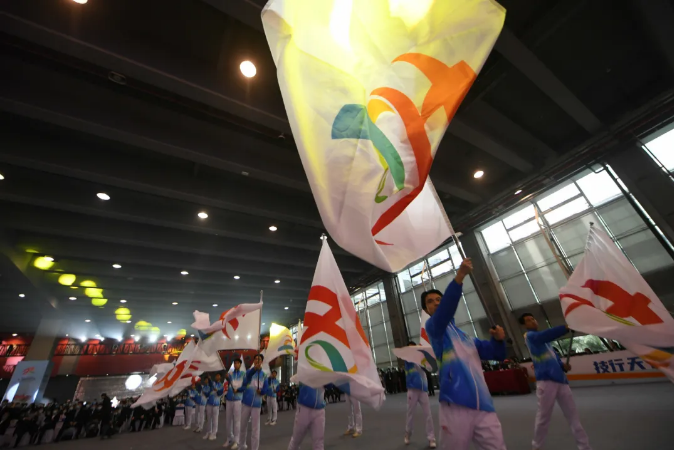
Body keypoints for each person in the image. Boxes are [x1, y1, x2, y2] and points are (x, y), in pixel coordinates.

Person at [423, 258, 508, 450]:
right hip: (455, 404)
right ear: (426, 310)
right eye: (430, 302)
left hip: (484, 406)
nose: (435, 303)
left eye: (438, 300)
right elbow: (445, 311)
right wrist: (460, 276)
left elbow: (496, 354)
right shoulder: (434, 329)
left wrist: (498, 340)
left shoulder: (467, 338)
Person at [519, 313, 592, 450]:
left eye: (533, 318)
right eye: (528, 320)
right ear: (524, 326)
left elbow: (553, 356)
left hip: (561, 381)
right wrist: (565, 328)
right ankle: (537, 447)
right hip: (546, 382)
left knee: (573, 416)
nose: (532, 321)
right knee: (543, 418)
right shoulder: (530, 337)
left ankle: (585, 446)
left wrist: (562, 365)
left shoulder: (546, 343)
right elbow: (546, 335)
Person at [404, 342, 436, 448]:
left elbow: (429, 367)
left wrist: (423, 353)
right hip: (412, 389)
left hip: (423, 389)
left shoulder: (422, 359)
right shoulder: (407, 358)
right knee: (410, 414)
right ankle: (408, 433)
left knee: (428, 414)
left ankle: (431, 438)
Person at [240, 354, 268, 450]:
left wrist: (262, 392)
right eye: (255, 359)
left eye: (259, 359)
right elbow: (245, 381)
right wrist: (254, 370)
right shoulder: (249, 372)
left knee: (255, 429)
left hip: (256, 404)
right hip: (246, 402)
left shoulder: (264, 375)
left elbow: (266, 388)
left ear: (262, 362)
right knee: (243, 426)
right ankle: (241, 446)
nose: (257, 361)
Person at [287, 384, 326, 450]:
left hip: (319, 409)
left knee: (319, 442)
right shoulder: (304, 377)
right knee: (296, 440)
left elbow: (329, 384)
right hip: (304, 408)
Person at [224, 358, 245, 449]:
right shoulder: (230, 374)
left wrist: (238, 390)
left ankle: (237, 440)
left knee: (237, 421)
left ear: (240, 364)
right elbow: (226, 384)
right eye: (235, 363)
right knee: (228, 421)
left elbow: (245, 386)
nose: (236, 364)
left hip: (237, 400)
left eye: (237, 363)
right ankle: (229, 438)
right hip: (229, 399)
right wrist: (226, 378)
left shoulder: (243, 374)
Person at [202, 374, 225, 441]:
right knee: (208, 419)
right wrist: (209, 379)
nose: (217, 377)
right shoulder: (212, 383)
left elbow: (220, 393)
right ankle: (208, 432)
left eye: (218, 376)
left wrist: (217, 390)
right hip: (209, 403)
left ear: (220, 377)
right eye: (216, 376)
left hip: (216, 404)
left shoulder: (221, 385)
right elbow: (210, 386)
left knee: (215, 419)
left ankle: (214, 434)